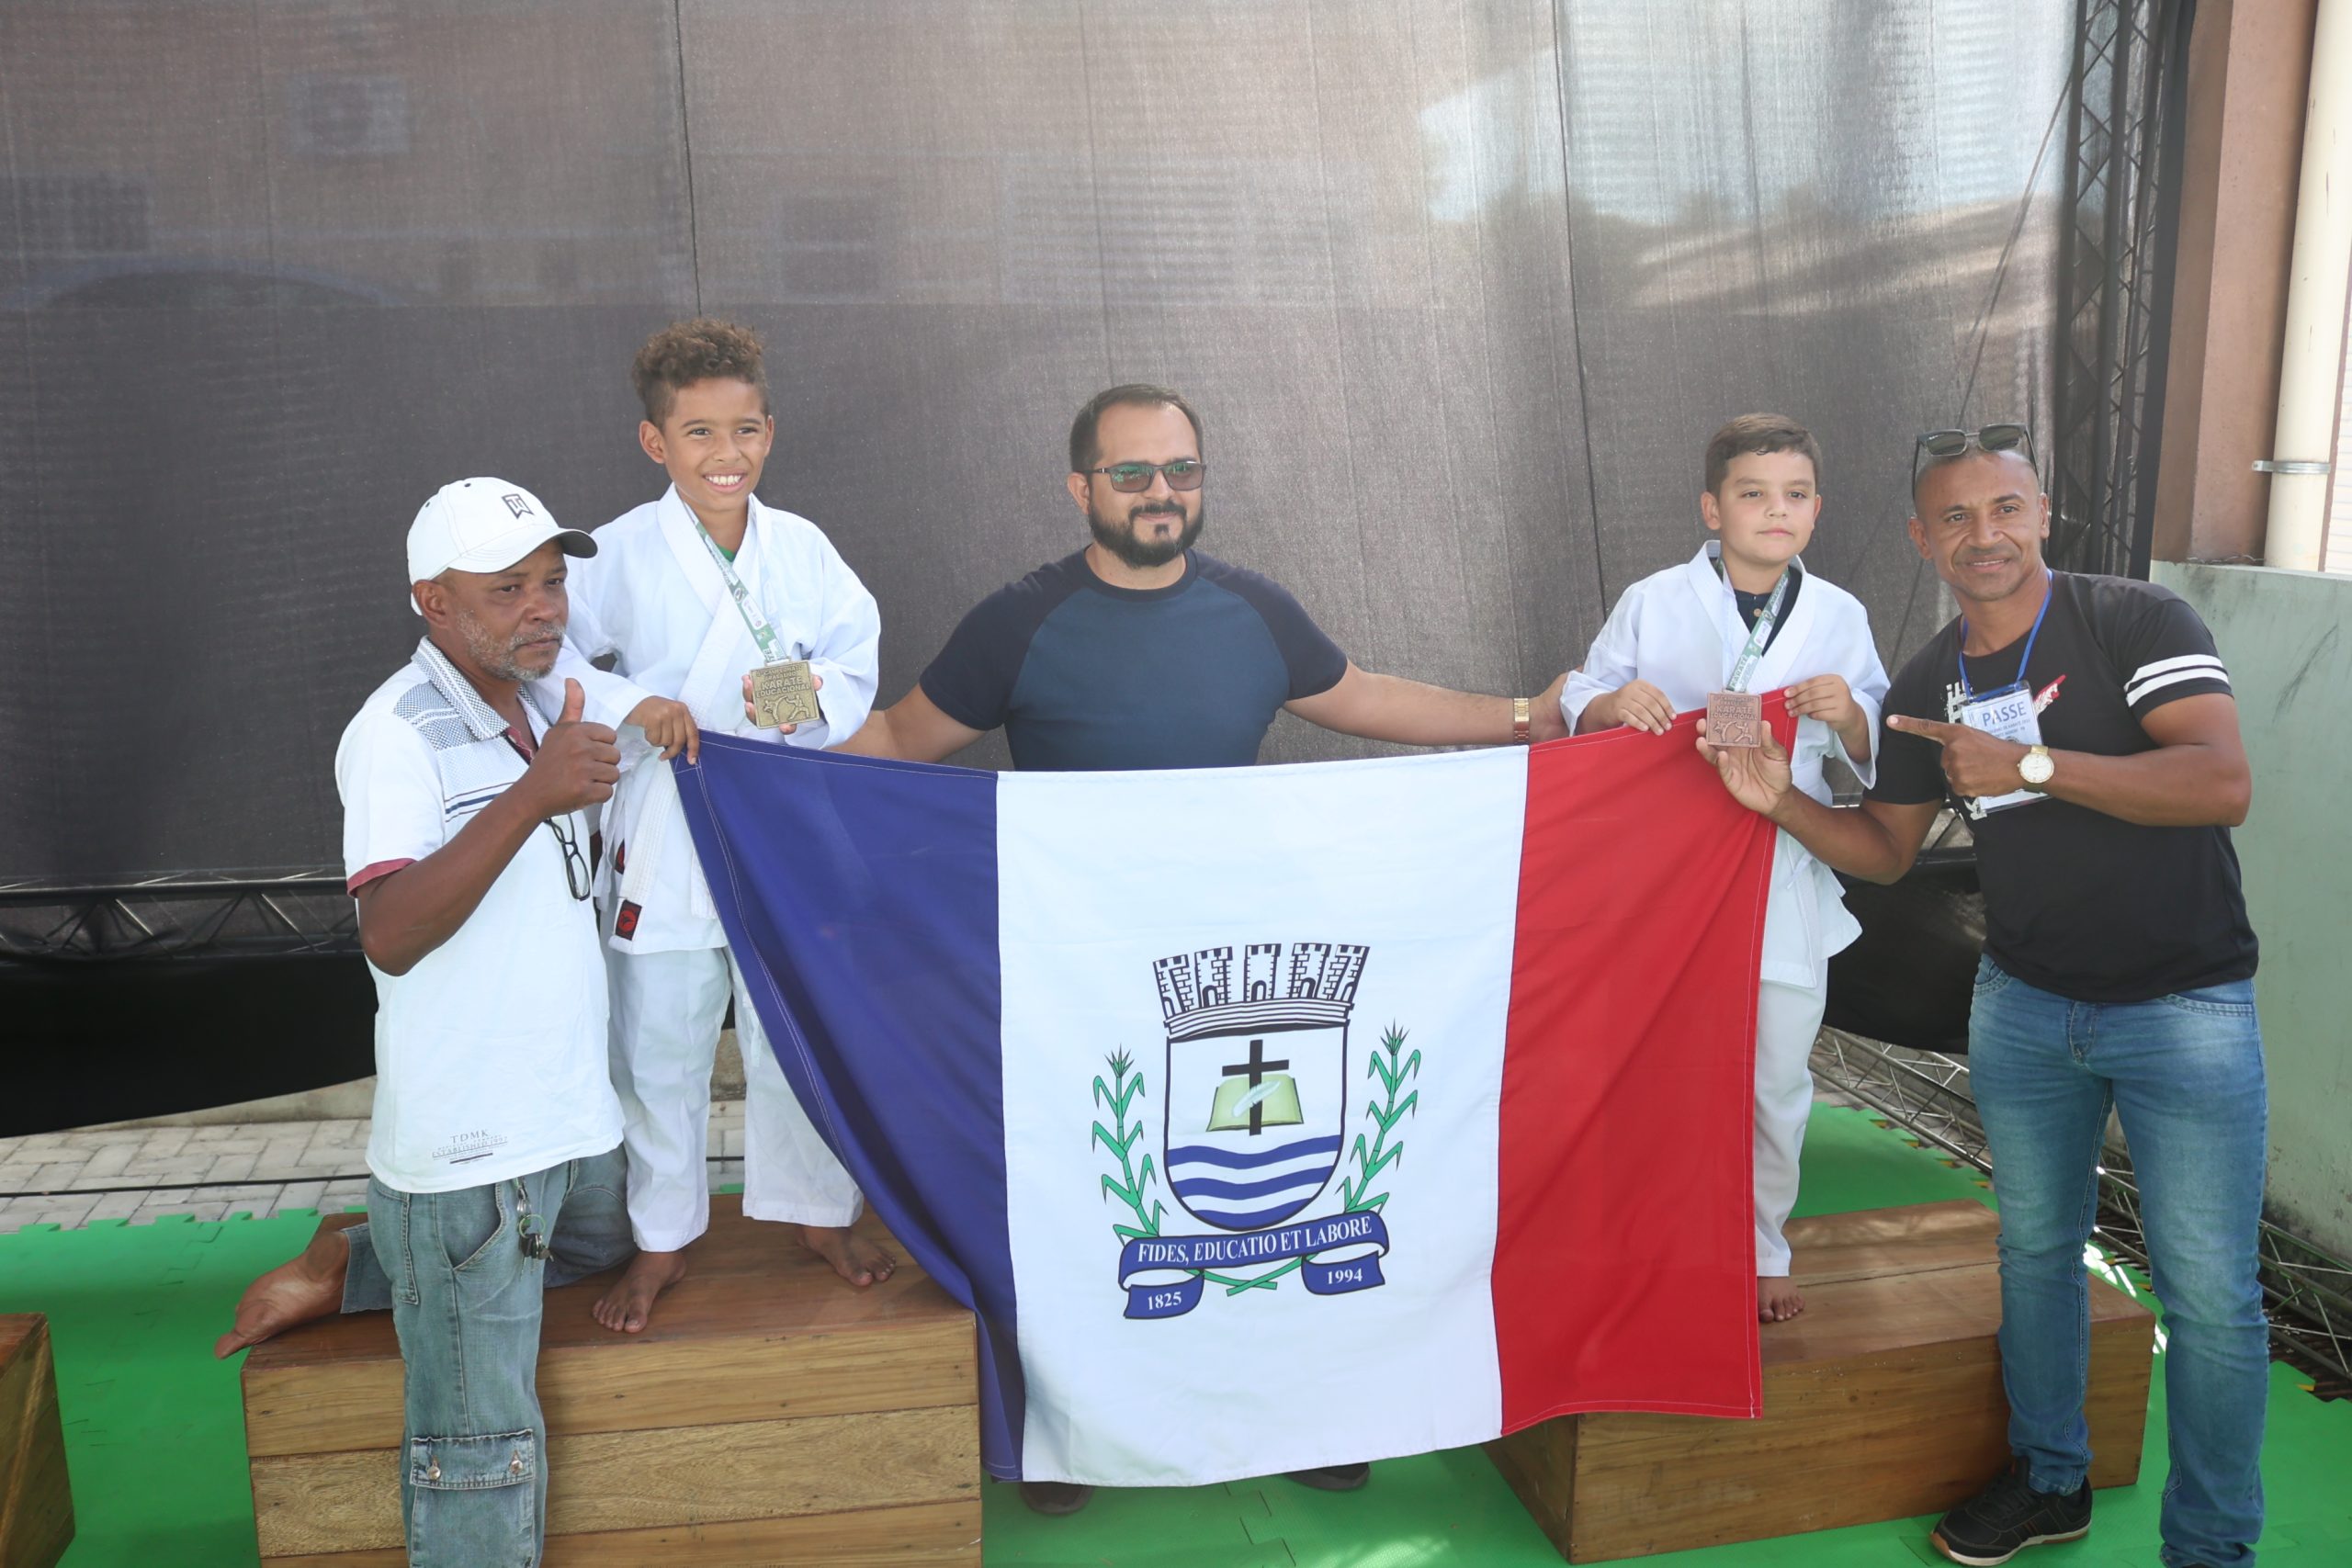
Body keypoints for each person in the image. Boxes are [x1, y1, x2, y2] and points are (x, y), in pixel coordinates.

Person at [752, 382, 1569, 1513]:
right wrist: (747, 757)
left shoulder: (1254, 609)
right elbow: (897, 736)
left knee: (1281, 1214)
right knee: (1089, 1208)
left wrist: (1532, 717)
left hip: (1237, 977)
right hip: (1075, 979)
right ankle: (1071, 1436)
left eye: (1181, 470)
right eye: (1132, 473)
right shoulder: (1020, 620)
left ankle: (1303, 1415)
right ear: (1079, 487)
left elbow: (1364, 696)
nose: (1160, 493)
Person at [1697, 425, 2261, 1568]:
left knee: (2208, 1298)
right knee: (2036, 1255)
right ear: (1921, 538)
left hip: (2184, 1008)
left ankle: (2210, 1549)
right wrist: (1777, 804)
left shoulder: (2135, 621)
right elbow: (1885, 852)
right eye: (1953, 517)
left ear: (2042, 513)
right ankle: (2050, 1480)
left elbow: (2219, 781)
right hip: (2025, 1007)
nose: (1982, 535)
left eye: (2004, 509)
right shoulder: (1927, 679)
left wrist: (2032, 766)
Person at [216, 479, 638, 1568]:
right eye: (507, 588)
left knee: (610, 1246)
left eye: (552, 582)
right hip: (471, 1150)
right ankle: (410, 1250)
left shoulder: (543, 704)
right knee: (481, 1444)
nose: (542, 607)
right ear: (433, 603)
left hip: (571, 1117)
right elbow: (392, 931)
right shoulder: (396, 734)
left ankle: (364, 1262)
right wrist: (532, 798)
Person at [555, 318, 890, 1335]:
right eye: (698, 433)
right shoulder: (616, 550)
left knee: (796, 1035)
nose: (725, 454)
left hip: (782, 821)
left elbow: (855, 664)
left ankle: (818, 1213)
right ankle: (661, 1237)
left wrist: (780, 693)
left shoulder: (804, 548)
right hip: (668, 822)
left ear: (769, 433)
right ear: (656, 442)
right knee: (659, 1045)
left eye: (744, 430)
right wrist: (636, 707)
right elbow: (552, 658)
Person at [1559, 412, 1887, 1324]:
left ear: (1816, 510)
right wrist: (1612, 703)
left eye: (1794, 495)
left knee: (1775, 1074)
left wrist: (1850, 714)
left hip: (1778, 863)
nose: (1775, 511)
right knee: (1651, 1064)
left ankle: (1762, 1246)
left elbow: (1878, 745)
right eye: (1753, 494)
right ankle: (1636, 1234)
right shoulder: (1653, 600)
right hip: (1662, 870)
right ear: (1713, 508)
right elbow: (1579, 693)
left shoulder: (1838, 616)